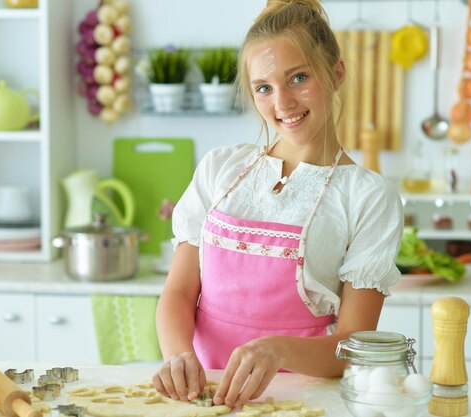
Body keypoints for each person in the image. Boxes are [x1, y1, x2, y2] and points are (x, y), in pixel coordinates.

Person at [152, 0, 403, 409]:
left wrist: (277, 350)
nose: (282, 103)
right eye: (264, 87)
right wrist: (178, 354)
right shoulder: (220, 168)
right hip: (201, 393)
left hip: (301, 400)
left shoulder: (368, 197)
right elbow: (179, 291)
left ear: (336, 73)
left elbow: (354, 344)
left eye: (299, 78)